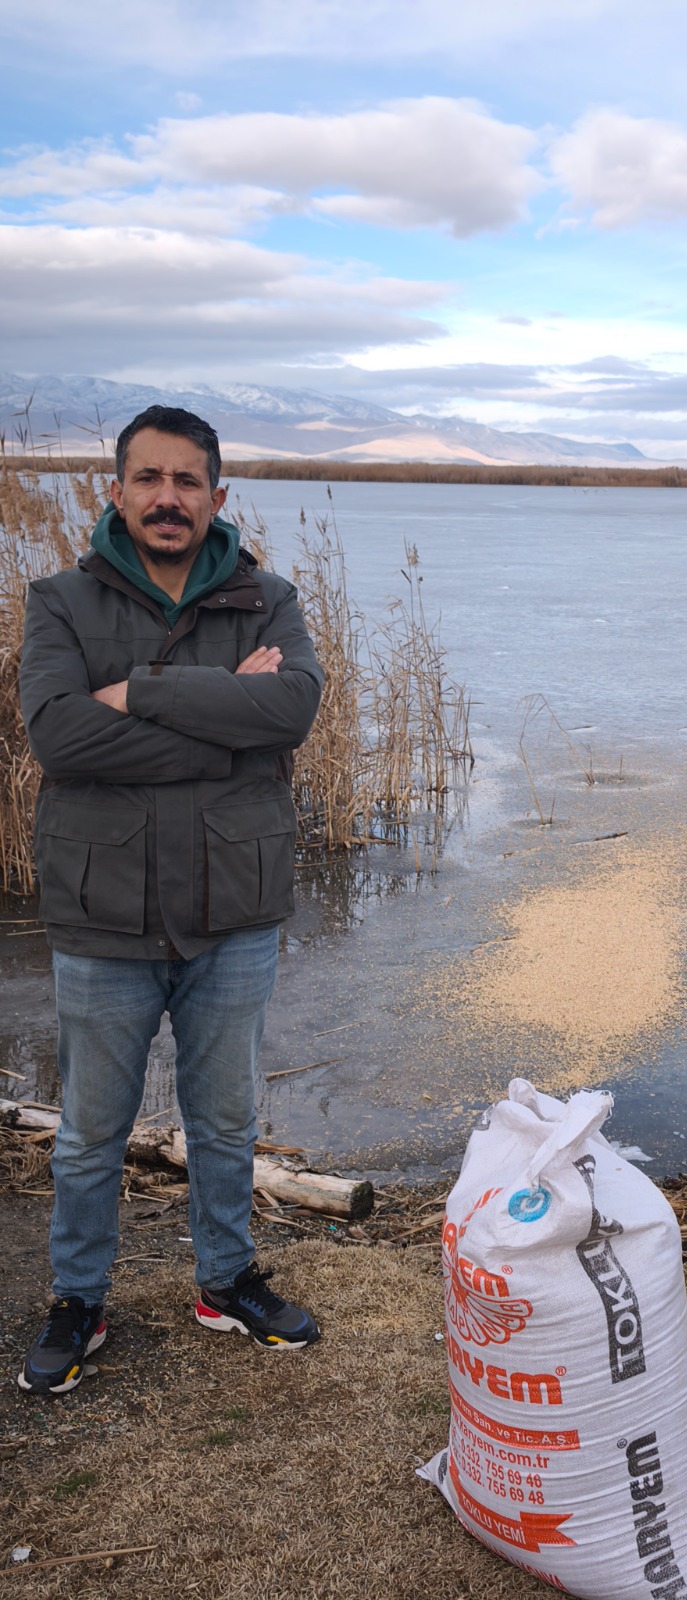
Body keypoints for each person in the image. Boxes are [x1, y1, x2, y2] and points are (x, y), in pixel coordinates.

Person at [17, 405, 324, 1394]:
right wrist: (219, 711)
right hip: (102, 910)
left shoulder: (266, 598)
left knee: (226, 1117)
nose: (167, 497)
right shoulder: (60, 600)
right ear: (115, 490)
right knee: (91, 1129)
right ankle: (79, 1299)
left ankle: (226, 1280)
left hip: (230, 906)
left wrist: (136, 693)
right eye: (147, 478)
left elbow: (288, 714)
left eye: (187, 481)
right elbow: (61, 740)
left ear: (218, 497)